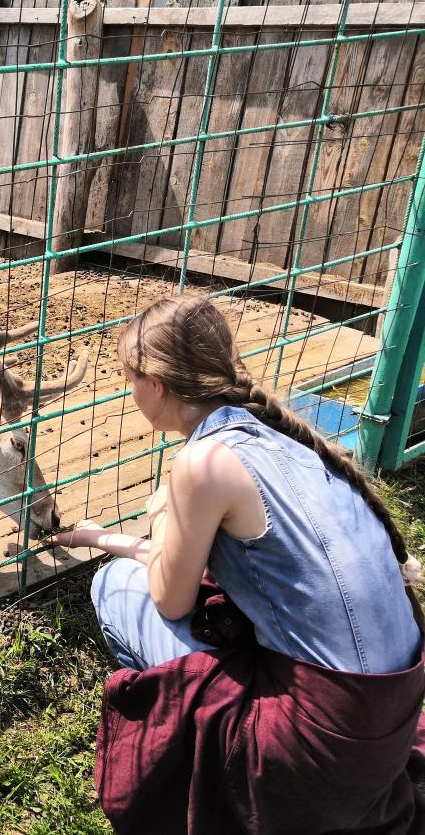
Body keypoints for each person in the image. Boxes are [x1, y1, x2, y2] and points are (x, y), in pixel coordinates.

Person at [49, 294, 425, 834]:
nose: (130, 392)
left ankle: (181, 732)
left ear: (155, 384)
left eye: (129, 379)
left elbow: (170, 598)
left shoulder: (201, 463)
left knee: (112, 588)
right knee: (136, 568)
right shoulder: (282, 436)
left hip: (314, 756)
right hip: (388, 721)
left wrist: (159, 519)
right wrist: (106, 537)